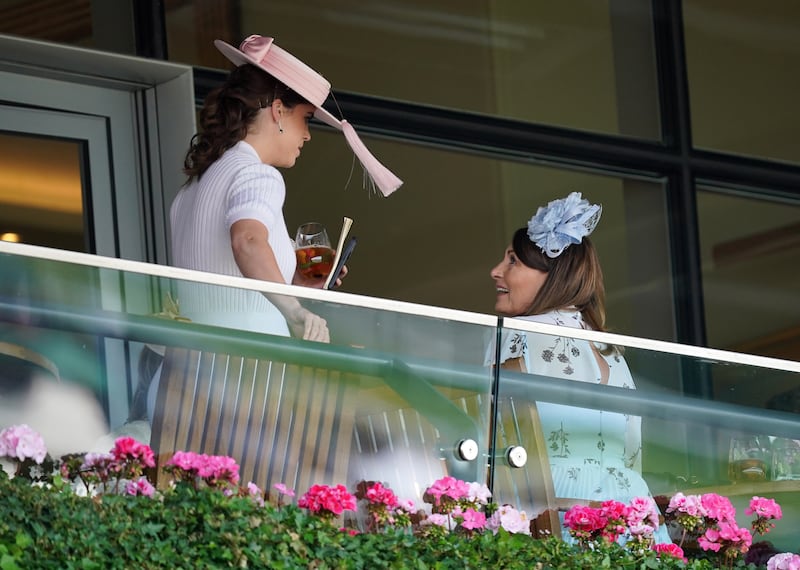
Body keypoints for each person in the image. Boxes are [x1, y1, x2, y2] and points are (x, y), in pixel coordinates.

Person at [143, 34, 403, 422]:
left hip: (188, 385)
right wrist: (296, 312)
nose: (308, 135)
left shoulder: (191, 189)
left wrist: (294, 284)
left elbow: (225, 278)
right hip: (247, 381)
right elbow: (247, 240)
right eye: (306, 119)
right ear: (278, 111)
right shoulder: (258, 175)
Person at [488, 191, 670, 543]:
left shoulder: (517, 335)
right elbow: (633, 452)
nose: (496, 271)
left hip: (555, 508)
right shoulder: (612, 351)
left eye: (512, 261)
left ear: (550, 274)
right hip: (631, 508)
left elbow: (496, 439)